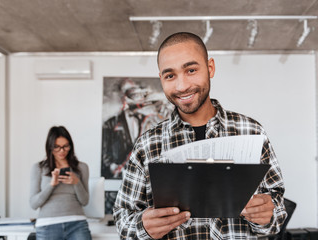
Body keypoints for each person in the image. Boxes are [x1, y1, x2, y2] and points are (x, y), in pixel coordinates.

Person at [113, 32, 287, 239]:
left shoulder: (252, 131)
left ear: (210, 68)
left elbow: (277, 211)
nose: (182, 86)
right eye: (170, 75)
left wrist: (266, 216)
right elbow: (123, 218)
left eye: (191, 70)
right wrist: (143, 228)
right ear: (161, 79)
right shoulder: (146, 145)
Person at [30, 126, 92, 240]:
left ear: (71, 146)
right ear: (50, 147)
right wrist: (51, 185)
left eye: (65, 146)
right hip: (47, 226)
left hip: (77, 224)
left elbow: (85, 201)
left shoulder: (82, 167)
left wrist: (76, 182)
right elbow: (33, 204)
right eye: (57, 147)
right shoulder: (39, 168)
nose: (62, 151)